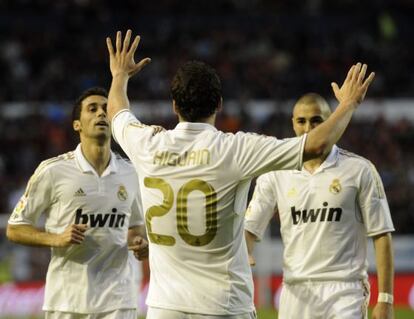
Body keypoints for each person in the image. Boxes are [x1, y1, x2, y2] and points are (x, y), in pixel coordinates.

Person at [105, 29, 374, 318]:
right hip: (225, 305)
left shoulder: (147, 144)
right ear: (219, 104)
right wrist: (347, 104)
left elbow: (117, 112)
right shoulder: (235, 149)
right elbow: (317, 143)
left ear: (174, 106)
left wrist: (119, 75)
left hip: (165, 307)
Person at [245, 93, 394, 319]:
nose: (308, 128)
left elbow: (382, 234)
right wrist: (244, 250)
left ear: (331, 121)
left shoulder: (359, 169)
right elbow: (250, 227)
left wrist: (385, 299)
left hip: (345, 290)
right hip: (296, 291)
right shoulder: (275, 173)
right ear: (292, 123)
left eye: (316, 120)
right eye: (301, 121)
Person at [7, 87, 148, 319]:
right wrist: (56, 238)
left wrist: (139, 242)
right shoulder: (53, 171)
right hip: (67, 301)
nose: (101, 114)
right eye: (92, 109)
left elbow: (135, 227)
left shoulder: (131, 172)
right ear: (77, 125)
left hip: (118, 301)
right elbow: (14, 228)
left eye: (106, 109)